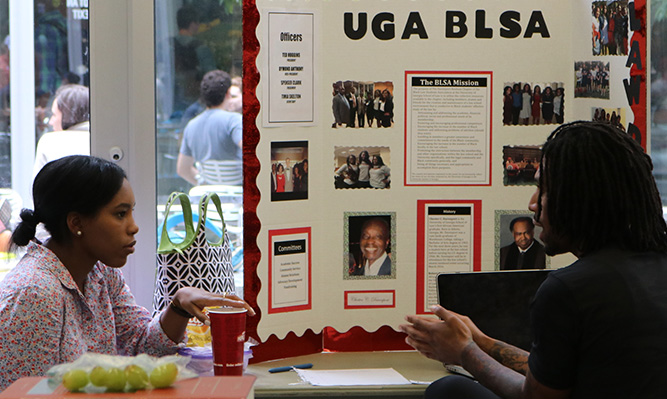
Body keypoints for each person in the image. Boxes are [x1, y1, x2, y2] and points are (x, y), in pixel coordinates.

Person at [401, 121, 667, 398]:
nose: (532, 203)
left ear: (578, 198)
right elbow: (553, 374)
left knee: (450, 389)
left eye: (542, 189)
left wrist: (464, 353)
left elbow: (537, 396)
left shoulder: (569, 290)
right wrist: (481, 342)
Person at [0, 155, 254, 391]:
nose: (133, 227)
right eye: (120, 214)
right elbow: (26, 393)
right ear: (76, 223)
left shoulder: (100, 273)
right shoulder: (33, 294)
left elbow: (142, 347)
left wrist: (178, 306)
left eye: (131, 212)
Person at [177, 70, 242, 186]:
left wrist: (207, 184)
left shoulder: (191, 126)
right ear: (227, 94)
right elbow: (252, 150)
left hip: (209, 198)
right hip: (238, 195)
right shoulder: (234, 121)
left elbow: (183, 169)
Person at [33, 84, 90, 179]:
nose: (51, 122)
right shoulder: (105, 140)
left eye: (54, 115)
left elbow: (36, 189)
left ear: (69, 115)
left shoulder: (50, 142)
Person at [171, 6, 216, 116]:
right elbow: (211, 76)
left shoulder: (167, 45)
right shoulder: (200, 47)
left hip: (173, 98)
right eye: (198, 23)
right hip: (194, 99)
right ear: (193, 24)